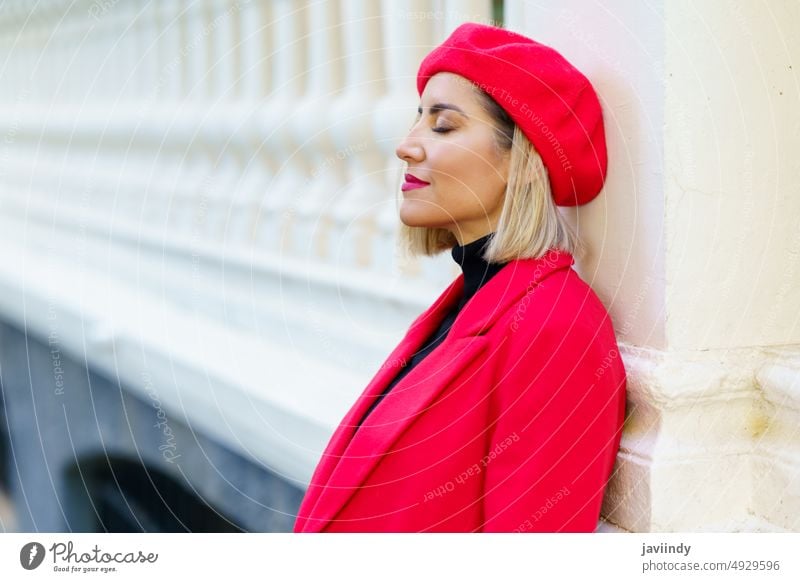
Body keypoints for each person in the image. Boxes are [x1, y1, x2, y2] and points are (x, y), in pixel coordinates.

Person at [294, 22, 626, 533]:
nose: (406, 146)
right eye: (417, 120)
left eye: (443, 126)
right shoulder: (463, 307)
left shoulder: (557, 326)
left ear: (523, 160)